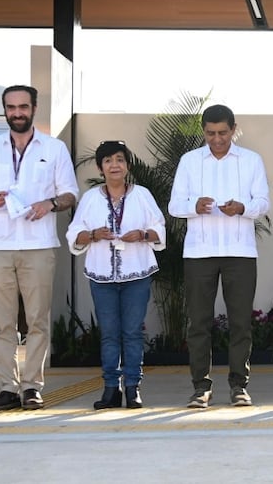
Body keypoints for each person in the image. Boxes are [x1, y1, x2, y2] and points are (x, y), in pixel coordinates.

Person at [0, 85, 79, 411]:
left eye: (23, 107)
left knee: (38, 321)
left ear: (34, 107)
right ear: (4, 110)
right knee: (3, 322)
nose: (17, 112)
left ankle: (32, 387)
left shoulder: (54, 149)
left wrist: (51, 202)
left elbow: (70, 194)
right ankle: (7, 388)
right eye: (11, 107)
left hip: (39, 245)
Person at [168, 104, 270, 409]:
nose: (217, 139)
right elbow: (174, 205)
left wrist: (242, 208)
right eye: (210, 133)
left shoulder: (251, 160)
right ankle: (201, 387)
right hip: (200, 252)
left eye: (223, 133)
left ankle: (240, 386)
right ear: (203, 131)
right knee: (199, 323)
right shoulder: (189, 161)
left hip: (239, 252)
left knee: (241, 323)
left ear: (233, 129)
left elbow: (263, 202)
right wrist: (193, 205)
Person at [68, 140, 164, 410]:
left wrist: (143, 235)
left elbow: (160, 228)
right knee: (109, 334)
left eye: (119, 160)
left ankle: (133, 388)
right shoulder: (90, 198)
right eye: (108, 161)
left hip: (137, 273)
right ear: (100, 167)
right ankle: (111, 389)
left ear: (128, 166)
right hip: (102, 277)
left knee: (132, 332)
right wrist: (93, 235)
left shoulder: (142, 195)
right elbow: (74, 234)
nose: (114, 165)